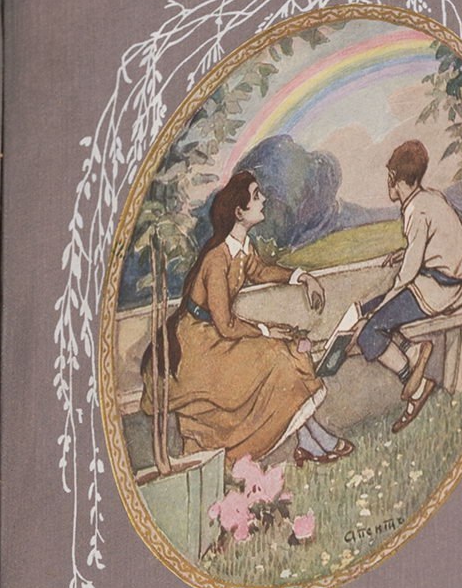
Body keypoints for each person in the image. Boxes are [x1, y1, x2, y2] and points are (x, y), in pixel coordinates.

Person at [140, 169, 350, 469]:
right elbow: (225, 325)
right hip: (198, 346)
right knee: (277, 357)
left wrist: (302, 276)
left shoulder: (242, 247)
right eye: (256, 196)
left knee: (283, 353)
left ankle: (309, 440)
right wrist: (266, 330)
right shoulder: (217, 259)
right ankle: (313, 439)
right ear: (239, 212)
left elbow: (260, 271)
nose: (263, 200)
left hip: (217, 336)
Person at [357, 140, 462, 431]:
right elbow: (430, 246)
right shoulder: (429, 198)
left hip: (439, 290)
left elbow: (407, 275)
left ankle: (415, 385)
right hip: (453, 285)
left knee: (369, 331)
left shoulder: (415, 211)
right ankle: (413, 354)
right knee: (369, 310)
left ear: (393, 178)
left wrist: (383, 305)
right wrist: (404, 253)